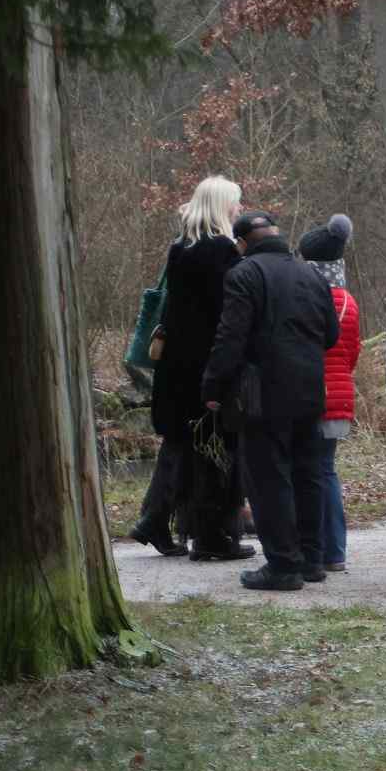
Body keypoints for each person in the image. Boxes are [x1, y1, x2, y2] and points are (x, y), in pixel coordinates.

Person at [202, 212, 339, 591]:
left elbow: (231, 337)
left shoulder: (244, 275)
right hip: (311, 390)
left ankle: (282, 564)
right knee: (307, 474)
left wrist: (213, 387)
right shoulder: (312, 274)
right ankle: (312, 558)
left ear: (242, 243)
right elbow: (330, 334)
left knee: (268, 477)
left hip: (263, 394)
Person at [138, 175, 251, 562]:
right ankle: (210, 532)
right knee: (209, 448)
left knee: (181, 444)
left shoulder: (180, 247)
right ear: (222, 206)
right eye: (236, 203)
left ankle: (156, 518)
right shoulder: (221, 251)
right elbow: (229, 313)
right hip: (203, 365)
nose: (240, 209)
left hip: (174, 364)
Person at [298, 214, 362, 573]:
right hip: (341, 401)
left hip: (311, 395)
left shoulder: (305, 297)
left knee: (308, 473)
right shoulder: (348, 302)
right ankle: (335, 550)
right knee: (326, 472)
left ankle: (317, 547)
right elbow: (352, 353)